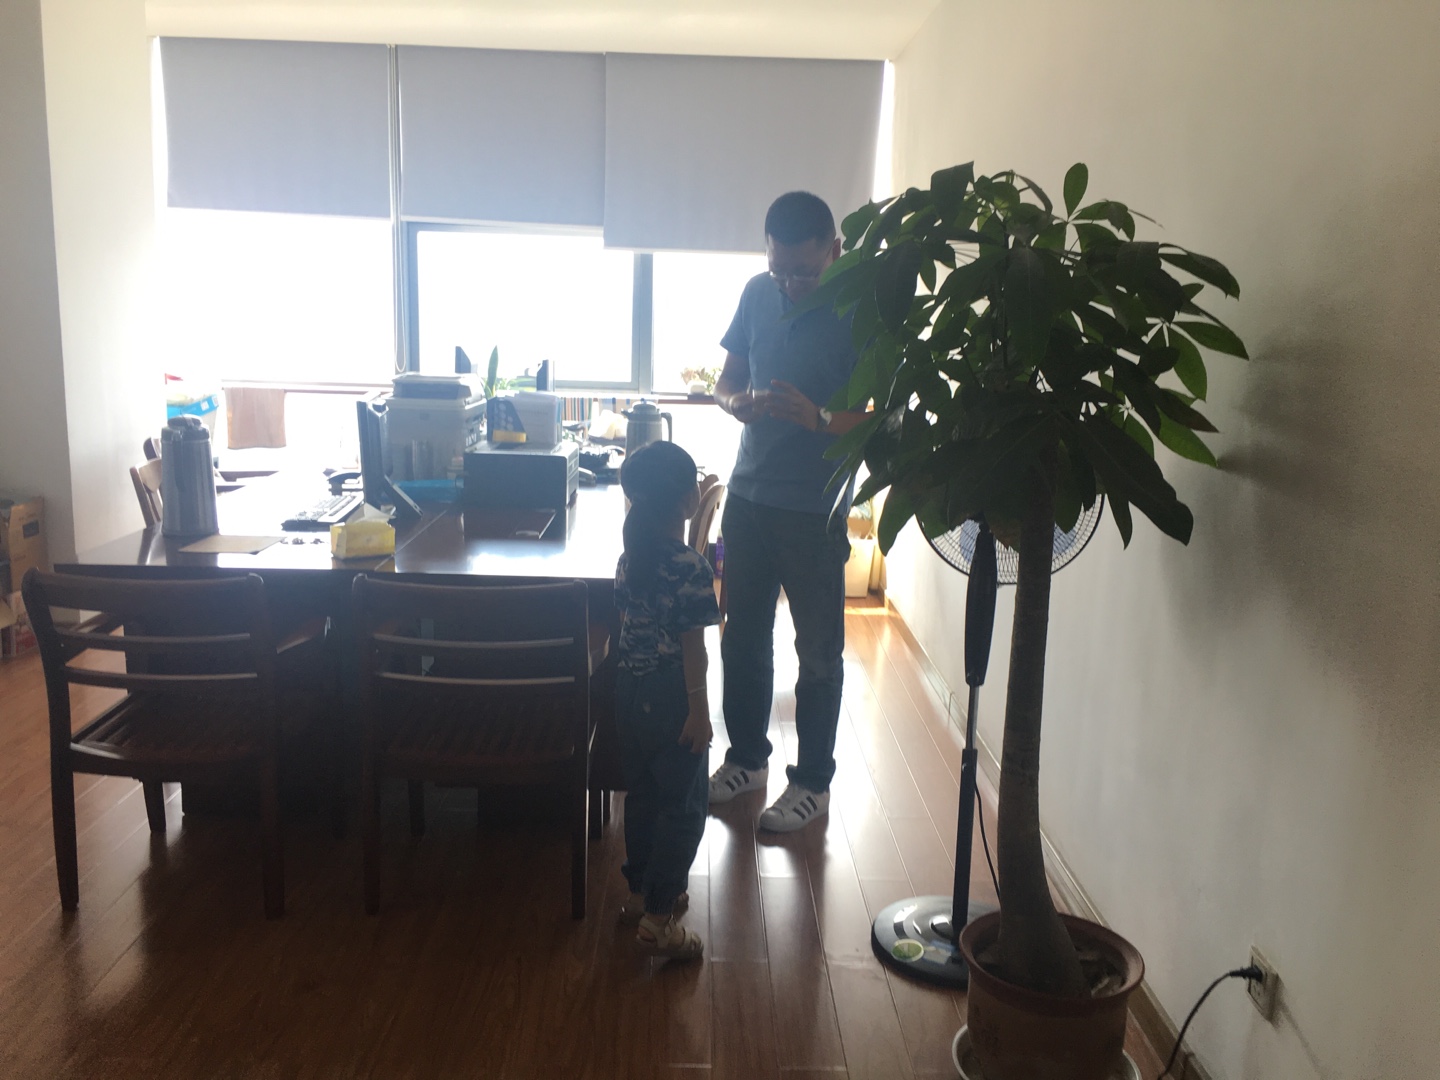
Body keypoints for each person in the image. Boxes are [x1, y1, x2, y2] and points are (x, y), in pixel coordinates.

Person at [707, 191, 868, 833]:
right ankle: (746, 760)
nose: (791, 284)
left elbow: (887, 418)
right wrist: (735, 403)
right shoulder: (756, 293)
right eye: (780, 270)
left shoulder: (862, 309)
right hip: (748, 498)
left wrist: (820, 418)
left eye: (804, 272)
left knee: (818, 653)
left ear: (835, 250)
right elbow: (725, 381)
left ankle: (812, 784)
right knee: (742, 639)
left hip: (814, 510)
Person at [613, 440, 721, 959]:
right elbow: (692, 650)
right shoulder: (690, 567)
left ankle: (639, 893)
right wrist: (699, 711)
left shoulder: (628, 560)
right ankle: (659, 921)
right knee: (684, 808)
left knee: (643, 797)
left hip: (628, 692)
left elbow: (628, 629)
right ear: (685, 500)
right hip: (670, 696)